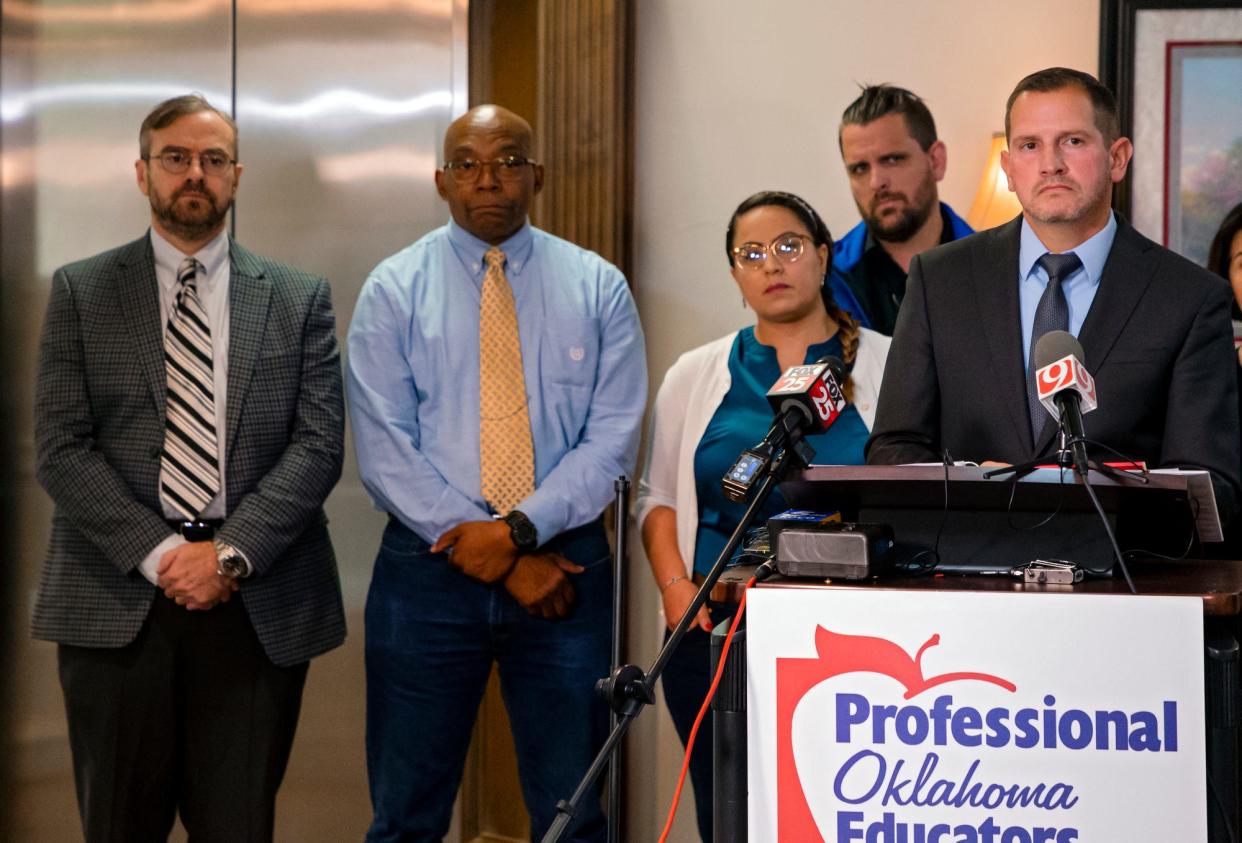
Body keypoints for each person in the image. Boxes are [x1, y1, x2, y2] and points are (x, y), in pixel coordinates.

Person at [32, 94, 346, 842]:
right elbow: (61, 445)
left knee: (238, 826)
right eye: (175, 157)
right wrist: (165, 554)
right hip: (115, 603)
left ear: (235, 176)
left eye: (212, 159)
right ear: (143, 173)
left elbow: (319, 445)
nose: (193, 174)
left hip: (255, 604)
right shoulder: (81, 290)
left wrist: (228, 555)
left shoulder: (299, 299)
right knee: (118, 825)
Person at [346, 104, 646, 843]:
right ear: (441, 181)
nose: (489, 179)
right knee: (405, 813)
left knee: (574, 814)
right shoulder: (392, 289)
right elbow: (385, 450)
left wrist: (514, 532)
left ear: (537, 176)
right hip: (427, 570)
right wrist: (494, 553)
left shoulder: (598, 287)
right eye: (468, 163)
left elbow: (611, 444)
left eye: (509, 160)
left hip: (564, 571)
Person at [867, 67, 1241, 522]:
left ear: (1118, 157)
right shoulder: (938, 279)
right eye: (1030, 146)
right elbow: (894, 448)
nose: (1051, 164)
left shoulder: (1191, 297)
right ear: (1008, 169)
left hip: (1123, 579)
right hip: (970, 570)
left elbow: (1209, 485)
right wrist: (975, 485)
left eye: (1073, 142)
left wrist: (1087, 495)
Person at [636, 190, 890, 841]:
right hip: (715, 631)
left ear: (823, 254)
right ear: (734, 275)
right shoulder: (695, 373)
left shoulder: (889, 361)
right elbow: (658, 497)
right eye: (751, 254)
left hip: (853, 634)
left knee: (839, 812)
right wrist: (675, 595)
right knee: (727, 817)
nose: (771, 264)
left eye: (788, 246)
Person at [828, 84, 974, 335]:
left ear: (936, 161)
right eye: (860, 168)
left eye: (893, 159)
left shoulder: (999, 267)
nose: (876, 182)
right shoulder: (827, 280)